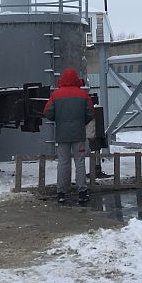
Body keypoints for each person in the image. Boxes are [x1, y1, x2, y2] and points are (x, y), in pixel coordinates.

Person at [43, 67, 95, 204]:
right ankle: (82, 192)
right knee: (80, 162)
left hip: (62, 135)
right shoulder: (83, 94)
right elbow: (91, 112)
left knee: (63, 163)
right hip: (78, 134)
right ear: (76, 79)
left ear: (63, 79)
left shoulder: (56, 94)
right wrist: (82, 122)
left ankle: (61, 193)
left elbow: (47, 112)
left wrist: (58, 119)